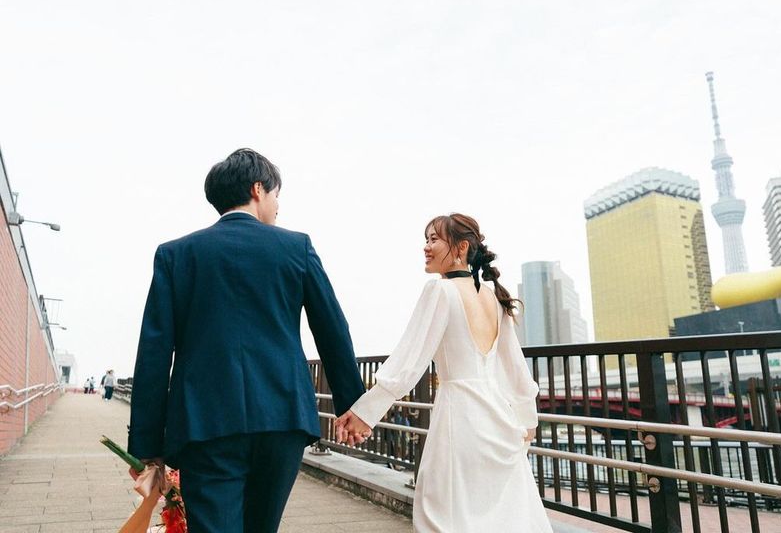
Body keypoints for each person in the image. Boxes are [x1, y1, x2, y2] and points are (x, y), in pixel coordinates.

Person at [127, 149, 366, 533]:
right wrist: (354, 404)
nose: (277, 205)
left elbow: (154, 351)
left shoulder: (175, 255)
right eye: (276, 194)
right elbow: (332, 330)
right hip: (283, 418)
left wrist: (147, 443)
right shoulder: (296, 247)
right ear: (258, 189)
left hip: (204, 423)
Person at [335, 213, 552, 532]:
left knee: (443, 515)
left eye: (434, 239)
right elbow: (517, 370)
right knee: (502, 519)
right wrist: (528, 419)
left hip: (459, 420)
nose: (426, 247)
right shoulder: (494, 298)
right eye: (426, 239)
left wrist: (366, 412)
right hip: (499, 422)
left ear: (461, 247)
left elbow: (409, 360)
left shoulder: (440, 291)